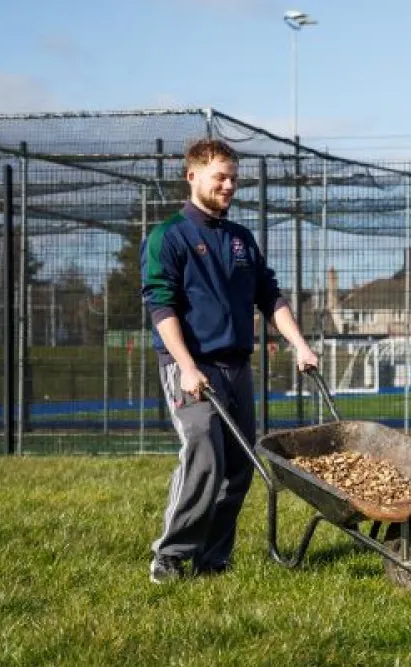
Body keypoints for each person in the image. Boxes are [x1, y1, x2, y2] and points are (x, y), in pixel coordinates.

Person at [140, 138, 318, 584]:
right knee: (203, 451)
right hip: (192, 365)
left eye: (234, 178)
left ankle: (213, 560)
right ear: (192, 176)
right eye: (220, 177)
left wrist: (299, 343)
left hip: (236, 366)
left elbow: (269, 296)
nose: (229, 185)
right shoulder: (169, 237)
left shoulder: (241, 239)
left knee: (239, 466)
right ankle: (172, 555)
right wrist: (186, 366)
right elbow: (161, 307)